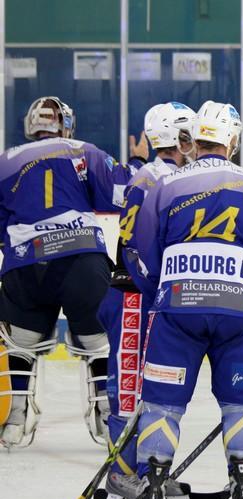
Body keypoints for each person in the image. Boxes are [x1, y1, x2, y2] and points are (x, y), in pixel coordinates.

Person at [131, 100, 243, 499]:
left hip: (178, 307)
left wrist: (162, 292)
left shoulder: (165, 186)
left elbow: (142, 251)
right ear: (232, 139)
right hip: (239, 309)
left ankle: (153, 473)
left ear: (195, 139)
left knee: (162, 400)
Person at [0, 96, 148, 448]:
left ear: (31, 125)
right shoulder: (84, 151)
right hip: (82, 260)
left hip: (26, 265)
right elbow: (124, 192)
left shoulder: (5, 161)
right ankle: (106, 418)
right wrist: (139, 160)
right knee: (97, 344)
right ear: (65, 125)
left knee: (21, 343)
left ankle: (14, 419)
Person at [97, 102, 197, 499]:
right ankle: (122, 476)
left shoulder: (163, 175)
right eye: (189, 135)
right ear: (177, 137)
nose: (195, 142)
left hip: (150, 296)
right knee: (130, 389)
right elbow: (138, 246)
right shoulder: (156, 177)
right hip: (133, 296)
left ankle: (147, 468)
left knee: (155, 387)